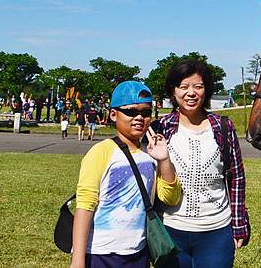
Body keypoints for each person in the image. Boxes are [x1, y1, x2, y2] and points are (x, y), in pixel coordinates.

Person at [70, 81, 181, 268]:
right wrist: (78, 260)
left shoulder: (151, 154)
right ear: (113, 115)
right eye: (130, 112)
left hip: (138, 252)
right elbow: (85, 205)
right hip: (100, 253)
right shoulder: (101, 151)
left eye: (145, 113)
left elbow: (170, 197)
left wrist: (164, 159)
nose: (139, 118)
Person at [153, 60, 249, 268]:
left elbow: (236, 177)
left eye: (198, 86)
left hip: (216, 232)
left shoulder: (223, 127)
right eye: (184, 87)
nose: (191, 93)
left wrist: (239, 224)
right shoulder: (160, 127)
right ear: (173, 90)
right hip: (170, 231)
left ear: (206, 90)